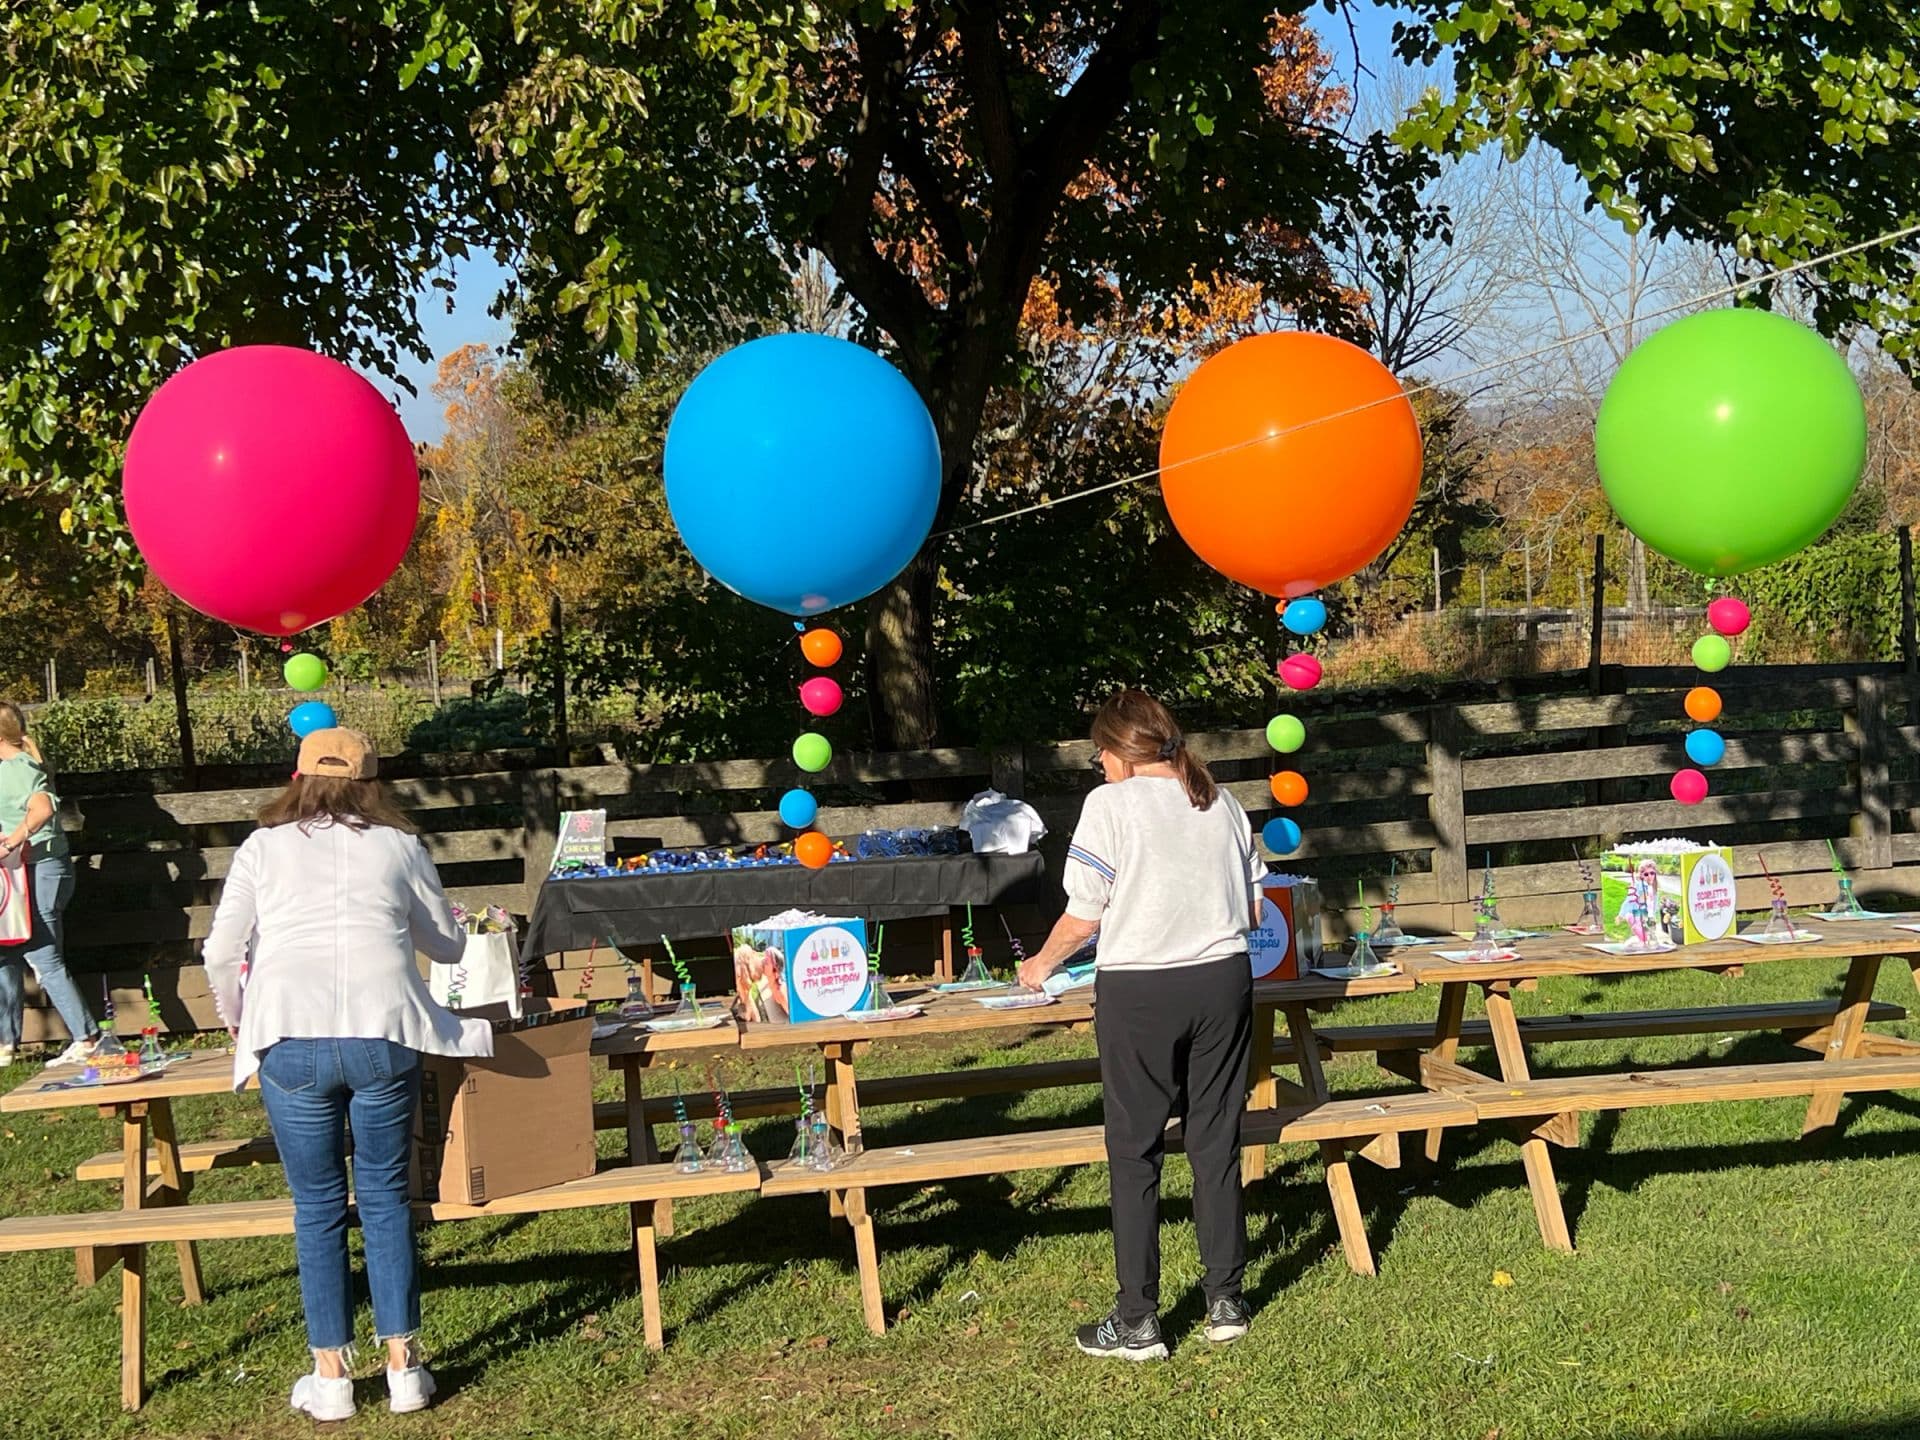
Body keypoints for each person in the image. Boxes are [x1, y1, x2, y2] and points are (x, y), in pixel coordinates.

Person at [203, 728, 491, 1421]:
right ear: (372, 781)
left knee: (318, 1207)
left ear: (295, 776)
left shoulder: (262, 848)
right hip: (381, 1032)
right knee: (387, 1198)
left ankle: (330, 1378)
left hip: (290, 1035)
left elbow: (220, 951)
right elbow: (448, 941)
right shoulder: (398, 846)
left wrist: (239, 1018)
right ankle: (404, 1369)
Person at [1016, 689, 1266, 1360]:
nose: (1098, 765)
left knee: (1134, 1151)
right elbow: (1256, 907)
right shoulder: (1218, 800)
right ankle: (1225, 1300)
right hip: (1224, 981)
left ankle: (1138, 1322)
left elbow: (1085, 914)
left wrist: (1039, 963)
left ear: (1122, 752)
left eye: (1100, 752)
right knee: (1215, 1139)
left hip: (1140, 989)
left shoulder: (1110, 806)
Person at [0, 700, 103, 1067]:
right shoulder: (15, 766)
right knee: (25, 952)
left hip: (42, 868)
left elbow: (42, 809)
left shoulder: (16, 768)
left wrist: (11, 841)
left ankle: (87, 1037)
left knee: (43, 954)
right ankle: (79, 1036)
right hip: (35, 869)